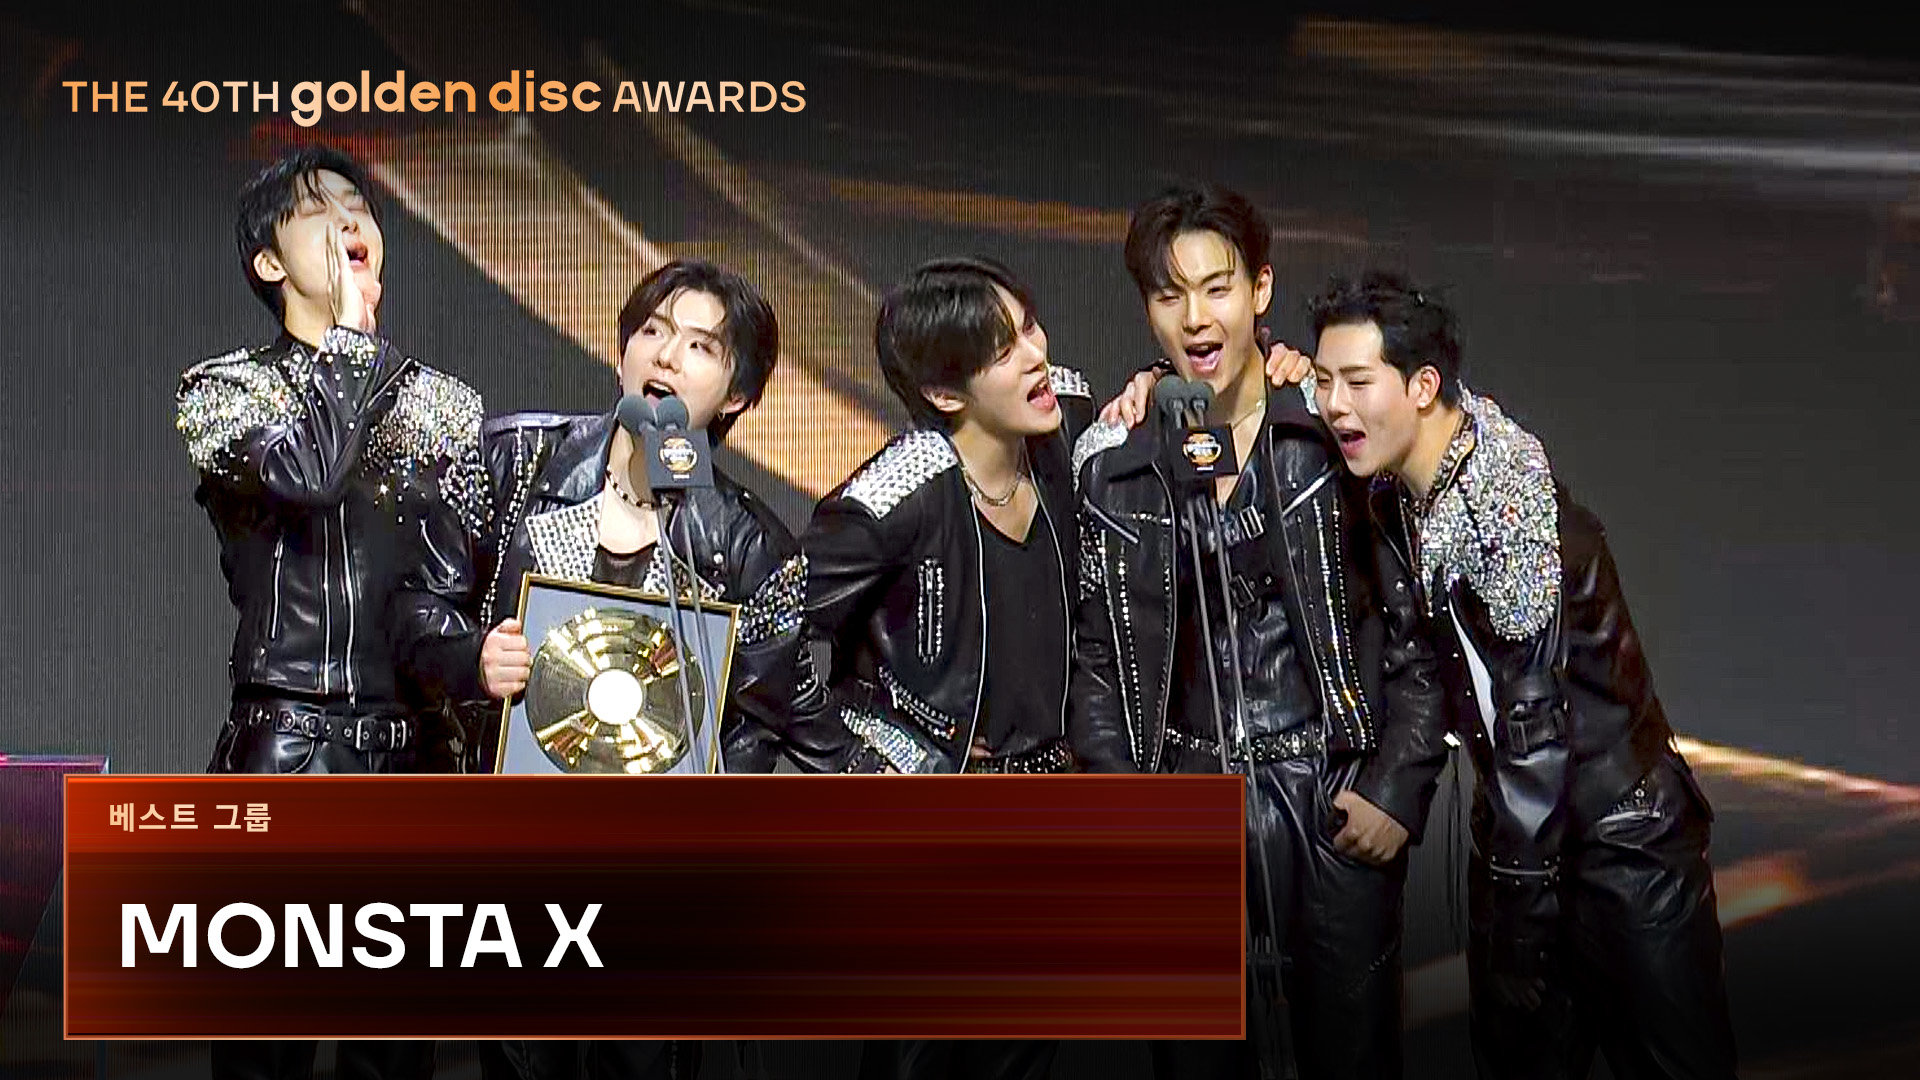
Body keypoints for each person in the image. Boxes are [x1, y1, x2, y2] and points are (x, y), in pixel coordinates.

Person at [1307, 270, 1736, 1080]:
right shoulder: (1407, 479)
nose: (1334, 405)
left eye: (1357, 383)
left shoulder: (1506, 509)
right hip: (1521, 840)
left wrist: (1520, 931)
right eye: (1326, 381)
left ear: (1423, 387)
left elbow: (1537, 743)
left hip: (1624, 847)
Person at [1072, 185, 1450, 1080]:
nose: (1196, 319)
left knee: (1352, 1058)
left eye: (1218, 289)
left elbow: (1419, 625)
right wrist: (1130, 812)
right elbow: (1095, 659)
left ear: (1261, 290)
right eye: (1170, 295)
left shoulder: (1332, 432)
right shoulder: (1115, 460)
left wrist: (1396, 786)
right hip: (1184, 801)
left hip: (1328, 790)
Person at [174, 144, 482, 1080]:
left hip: (414, 761)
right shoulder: (223, 390)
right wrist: (351, 345)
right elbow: (307, 476)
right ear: (269, 262)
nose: (349, 221)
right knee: (264, 1050)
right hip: (287, 755)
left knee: (395, 1057)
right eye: (317, 211)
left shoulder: (445, 404)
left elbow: (455, 591)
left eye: (359, 207)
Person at [802, 256, 1096, 1080]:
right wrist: (880, 759)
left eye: (1030, 327)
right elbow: (765, 637)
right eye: (1004, 350)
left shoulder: (1063, 426)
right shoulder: (896, 495)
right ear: (943, 392)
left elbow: (1156, 402)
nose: (1038, 355)